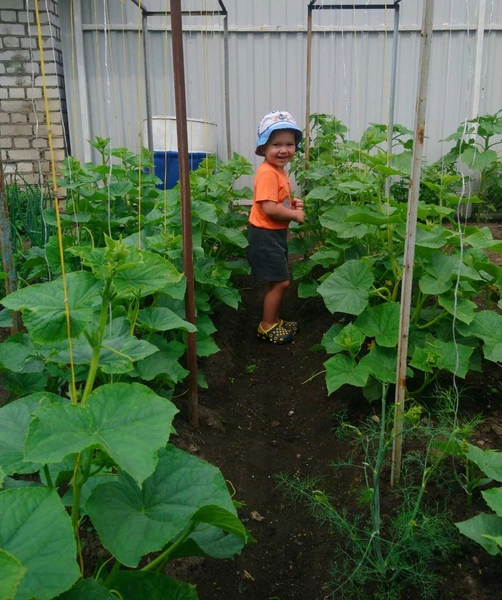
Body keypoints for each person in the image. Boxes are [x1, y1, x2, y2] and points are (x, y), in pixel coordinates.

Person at [246, 110, 305, 345]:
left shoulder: (277, 171)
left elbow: (276, 201)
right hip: (265, 236)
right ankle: (267, 325)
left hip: (271, 234)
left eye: (289, 144)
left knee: (274, 280)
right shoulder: (268, 173)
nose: (284, 149)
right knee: (281, 282)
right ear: (263, 148)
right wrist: (294, 214)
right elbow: (269, 209)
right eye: (276, 144)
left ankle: (275, 320)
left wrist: (291, 204)